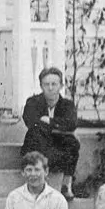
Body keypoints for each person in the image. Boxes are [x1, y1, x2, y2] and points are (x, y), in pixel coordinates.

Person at [20, 67, 82, 200]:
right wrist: (59, 128)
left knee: (72, 142)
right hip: (37, 145)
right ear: (41, 86)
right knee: (36, 133)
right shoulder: (33, 102)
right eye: (46, 84)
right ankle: (41, 184)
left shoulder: (67, 105)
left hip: (57, 147)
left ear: (61, 86)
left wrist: (49, 121)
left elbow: (71, 123)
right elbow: (31, 122)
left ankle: (66, 184)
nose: (50, 88)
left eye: (54, 84)